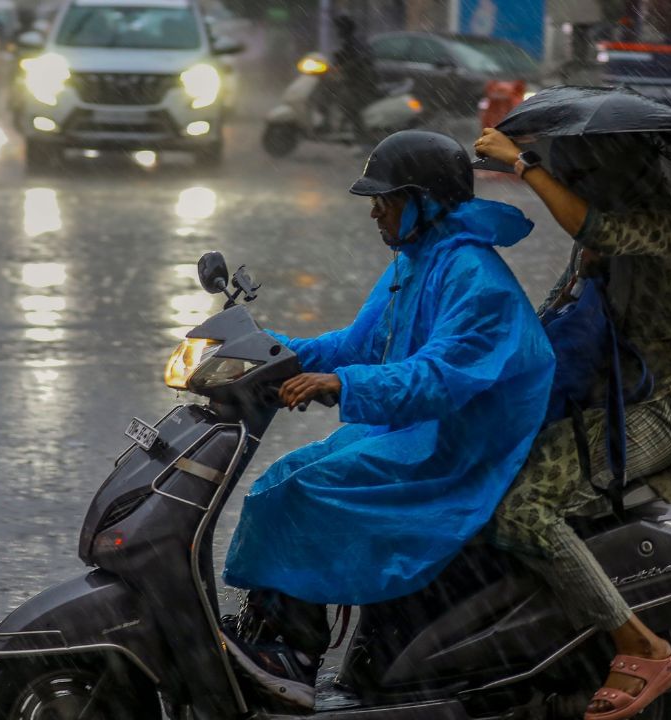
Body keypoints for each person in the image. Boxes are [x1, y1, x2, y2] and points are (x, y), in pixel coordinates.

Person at [220, 130, 555, 711]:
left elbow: (436, 378)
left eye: (388, 198)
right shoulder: (417, 260)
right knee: (281, 478)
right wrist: (264, 350)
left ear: (425, 202)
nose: (375, 209)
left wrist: (340, 385)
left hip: (460, 449)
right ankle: (272, 632)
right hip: (416, 432)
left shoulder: (476, 279)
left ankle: (295, 654)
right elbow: (357, 344)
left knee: (305, 493)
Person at [474, 127, 671, 720]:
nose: (577, 179)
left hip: (655, 415)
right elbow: (552, 314)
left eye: (584, 169)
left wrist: (523, 164)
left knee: (523, 508)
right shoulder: (606, 236)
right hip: (600, 405)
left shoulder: (661, 225)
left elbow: (595, 227)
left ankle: (642, 645)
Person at [329, 14, 379, 145]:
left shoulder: (355, 42)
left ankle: (362, 139)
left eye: (339, 28)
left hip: (363, 83)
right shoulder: (350, 41)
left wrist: (342, 68)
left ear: (345, 29)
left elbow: (358, 61)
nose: (337, 32)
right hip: (356, 81)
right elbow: (343, 56)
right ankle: (345, 129)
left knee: (350, 105)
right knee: (337, 94)